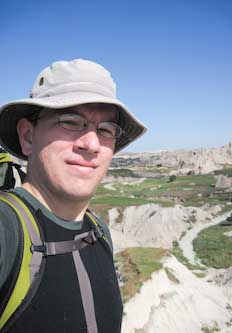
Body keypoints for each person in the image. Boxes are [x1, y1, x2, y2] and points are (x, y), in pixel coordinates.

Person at [0, 59, 147, 333]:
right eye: (70, 121)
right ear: (28, 136)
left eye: (105, 130)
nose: (91, 144)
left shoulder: (98, 231)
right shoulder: (7, 230)